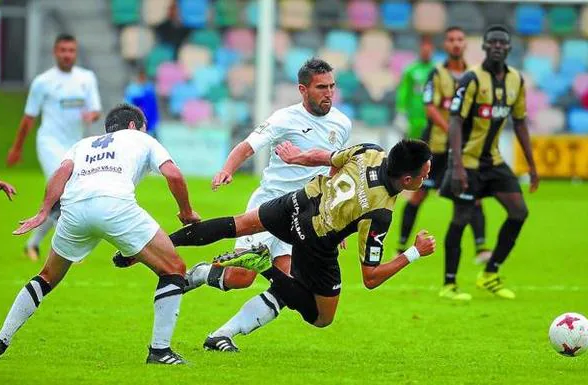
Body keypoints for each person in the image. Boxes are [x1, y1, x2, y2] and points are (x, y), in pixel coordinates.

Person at [115, 58, 351, 351]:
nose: (328, 93)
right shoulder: (284, 119)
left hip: (304, 216)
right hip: (269, 207)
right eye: (321, 87)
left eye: (331, 86)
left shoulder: (342, 123)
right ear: (303, 89)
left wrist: (334, 219)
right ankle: (202, 272)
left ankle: (221, 335)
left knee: (289, 287)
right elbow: (246, 146)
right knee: (241, 278)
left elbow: (334, 170)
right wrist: (227, 169)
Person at [160, 139, 436, 351]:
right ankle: (264, 266)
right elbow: (371, 278)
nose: (426, 179)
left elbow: (332, 161)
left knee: (238, 223)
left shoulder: (370, 151)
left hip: (300, 200)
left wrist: (335, 203)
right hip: (316, 240)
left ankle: (158, 244)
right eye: (424, 176)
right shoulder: (381, 214)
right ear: (407, 180)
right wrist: (414, 252)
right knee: (320, 316)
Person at [0, 104, 199, 364]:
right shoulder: (142, 138)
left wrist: (43, 212)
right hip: (114, 205)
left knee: (47, 276)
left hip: (74, 209)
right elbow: (173, 174)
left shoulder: (84, 143)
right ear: (133, 126)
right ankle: (160, 351)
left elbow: (61, 173)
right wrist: (186, 212)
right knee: (174, 268)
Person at [440, 25, 539, 300]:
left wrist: (531, 165)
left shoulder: (516, 80)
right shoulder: (472, 78)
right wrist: (457, 165)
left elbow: (519, 122)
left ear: (508, 48)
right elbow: (455, 121)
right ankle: (449, 284)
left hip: (494, 162)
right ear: (484, 47)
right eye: (492, 42)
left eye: (502, 43)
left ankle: (490, 272)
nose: (497, 46)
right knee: (461, 218)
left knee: (519, 212)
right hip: (467, 162)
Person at [398, 27, 491, 302]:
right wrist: (453, 132)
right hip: (437, 149)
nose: (456, 43)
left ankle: (481, 247)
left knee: (471, 197)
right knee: (418, 195)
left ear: (465, 44)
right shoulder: (435, 74)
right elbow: (430, 108)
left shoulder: (475, 76)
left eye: (461, 39)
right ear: (445, 45)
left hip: (464, 151)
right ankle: (401, 244)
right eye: (451, 40)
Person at [6, 33, 102, 262]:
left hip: (76, 147)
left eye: (71, 51)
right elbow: (28, 118)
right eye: (63, 51)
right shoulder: (43, 82)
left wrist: (92, 114)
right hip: (49, 143)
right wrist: (17, 148)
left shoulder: (87, 78)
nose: (67, 55)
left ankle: (33, 244)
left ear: (75, 53)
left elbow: (96, 109)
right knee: (63, 192)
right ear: (55, 52)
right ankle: (70, 249)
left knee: (63, 196)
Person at [395, 35, 435, 139]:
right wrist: (401, 111)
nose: (426, 52)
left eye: (428, 50)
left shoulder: (436, 70)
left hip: (431, 115)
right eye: (424, 50)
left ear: (432, 51)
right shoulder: (411, 70)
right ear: (419, 50)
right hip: (413, 114)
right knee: (412, 144)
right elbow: (404, 90)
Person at [125, 68, 160, 137]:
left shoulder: (149, 88)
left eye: (143, 77)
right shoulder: (132, 89)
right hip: (136, 117)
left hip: (149, 119)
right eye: (140, 77)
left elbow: (153, 105)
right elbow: (128, 103)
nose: (142, 79)